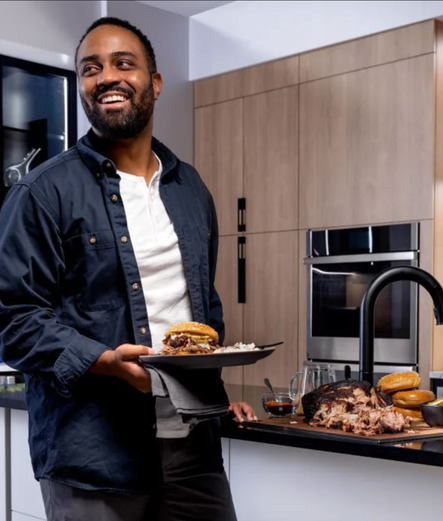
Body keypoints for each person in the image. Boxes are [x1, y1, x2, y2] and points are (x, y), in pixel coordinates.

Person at [0, 17, 254, 520]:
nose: (106, 77)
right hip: (94, 454)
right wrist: (103, 360)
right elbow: (14, 320)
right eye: (90, 69)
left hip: (192, 450)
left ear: (154, 83)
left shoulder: (190, 190)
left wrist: (214, 390)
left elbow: (202, 309)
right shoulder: (42, 193)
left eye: (123, 63)